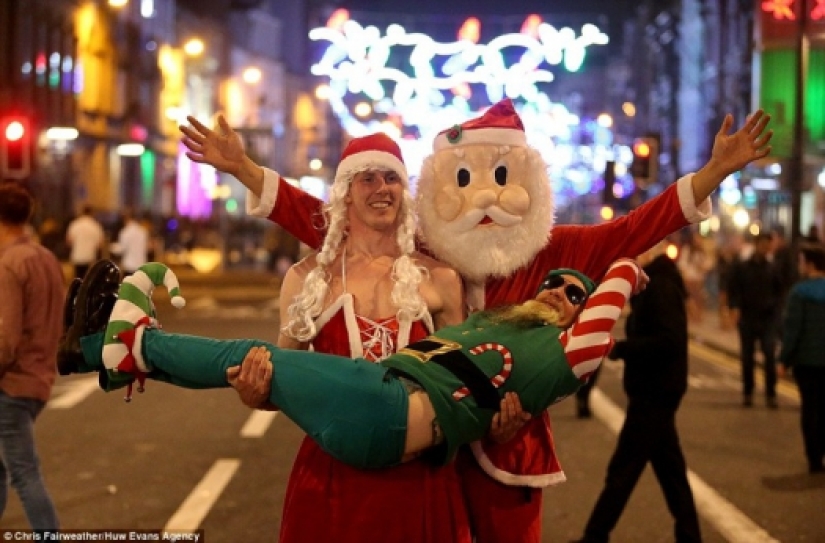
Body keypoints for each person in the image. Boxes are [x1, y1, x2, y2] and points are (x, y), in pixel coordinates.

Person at [180, 100, 772, 543]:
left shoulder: (550, 248)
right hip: (428, 450)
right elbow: (337, 218)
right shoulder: (431, 246)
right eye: (465, 180)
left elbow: (636, 227)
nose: (486, 198)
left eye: (502, 179)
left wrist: (715, 172)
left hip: (508, 455)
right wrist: (246, 170)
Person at [59, 258, 643, 468]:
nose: (557, 294)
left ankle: (132, 342)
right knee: (252, 360)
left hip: (390, 413)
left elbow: (609, 294)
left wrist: (625, 268)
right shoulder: (505, 324)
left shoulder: (570, 354)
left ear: (588, 314)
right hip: (380, 395)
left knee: (250, 353)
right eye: (554, 284)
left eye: (574, 295)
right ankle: (99, 353)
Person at [574, 241, 701, 543]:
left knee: (624, 469)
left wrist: (621, 349)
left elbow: (668, 341)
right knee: (671, 472)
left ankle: (595, 535)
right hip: (656, 389)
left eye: (638, 250)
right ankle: (690, 536)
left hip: (655, 391)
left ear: (651, 252)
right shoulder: (656, 284)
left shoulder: (661, 287)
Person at [0, 182, 63, 531]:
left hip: (12, 382)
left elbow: (7, 339)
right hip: (40, 375)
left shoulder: (9, 263)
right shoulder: (45, 257)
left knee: (24, 473)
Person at [778, 243, 825, 474]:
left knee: (810, 409)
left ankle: (814, 458)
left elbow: (793, 329)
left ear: (809, 263)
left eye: (801, 261)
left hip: (807, 361)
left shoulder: (800, 293)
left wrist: (784, 359)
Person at [727, 232, 783, 408]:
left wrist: (777, 311)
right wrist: (734, 308)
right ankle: (748, 392)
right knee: (747, 356)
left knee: (768, 353)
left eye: (769, 245)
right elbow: (734, 289)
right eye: (763, 244)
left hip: (768, 318)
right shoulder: (742, 267)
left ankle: (771, 393)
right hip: (748, 317)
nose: (766, 248)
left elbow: (780, 292)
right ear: (757, 244)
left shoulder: (773, 268)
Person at [66, 205, 105, 279]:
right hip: (89, 256)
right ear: (92, 213)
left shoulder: (75, 224)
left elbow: (69, 241)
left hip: (77, 256)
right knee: (88, 280)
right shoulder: (95, 225)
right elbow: (100, 244)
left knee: (78, 279)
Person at [111, 209, 149, 275]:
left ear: (126, 219)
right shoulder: (143, 231)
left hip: (129, 265)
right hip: (141, 264)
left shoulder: (125, 232)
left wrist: (112, 247)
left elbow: (121, 249)